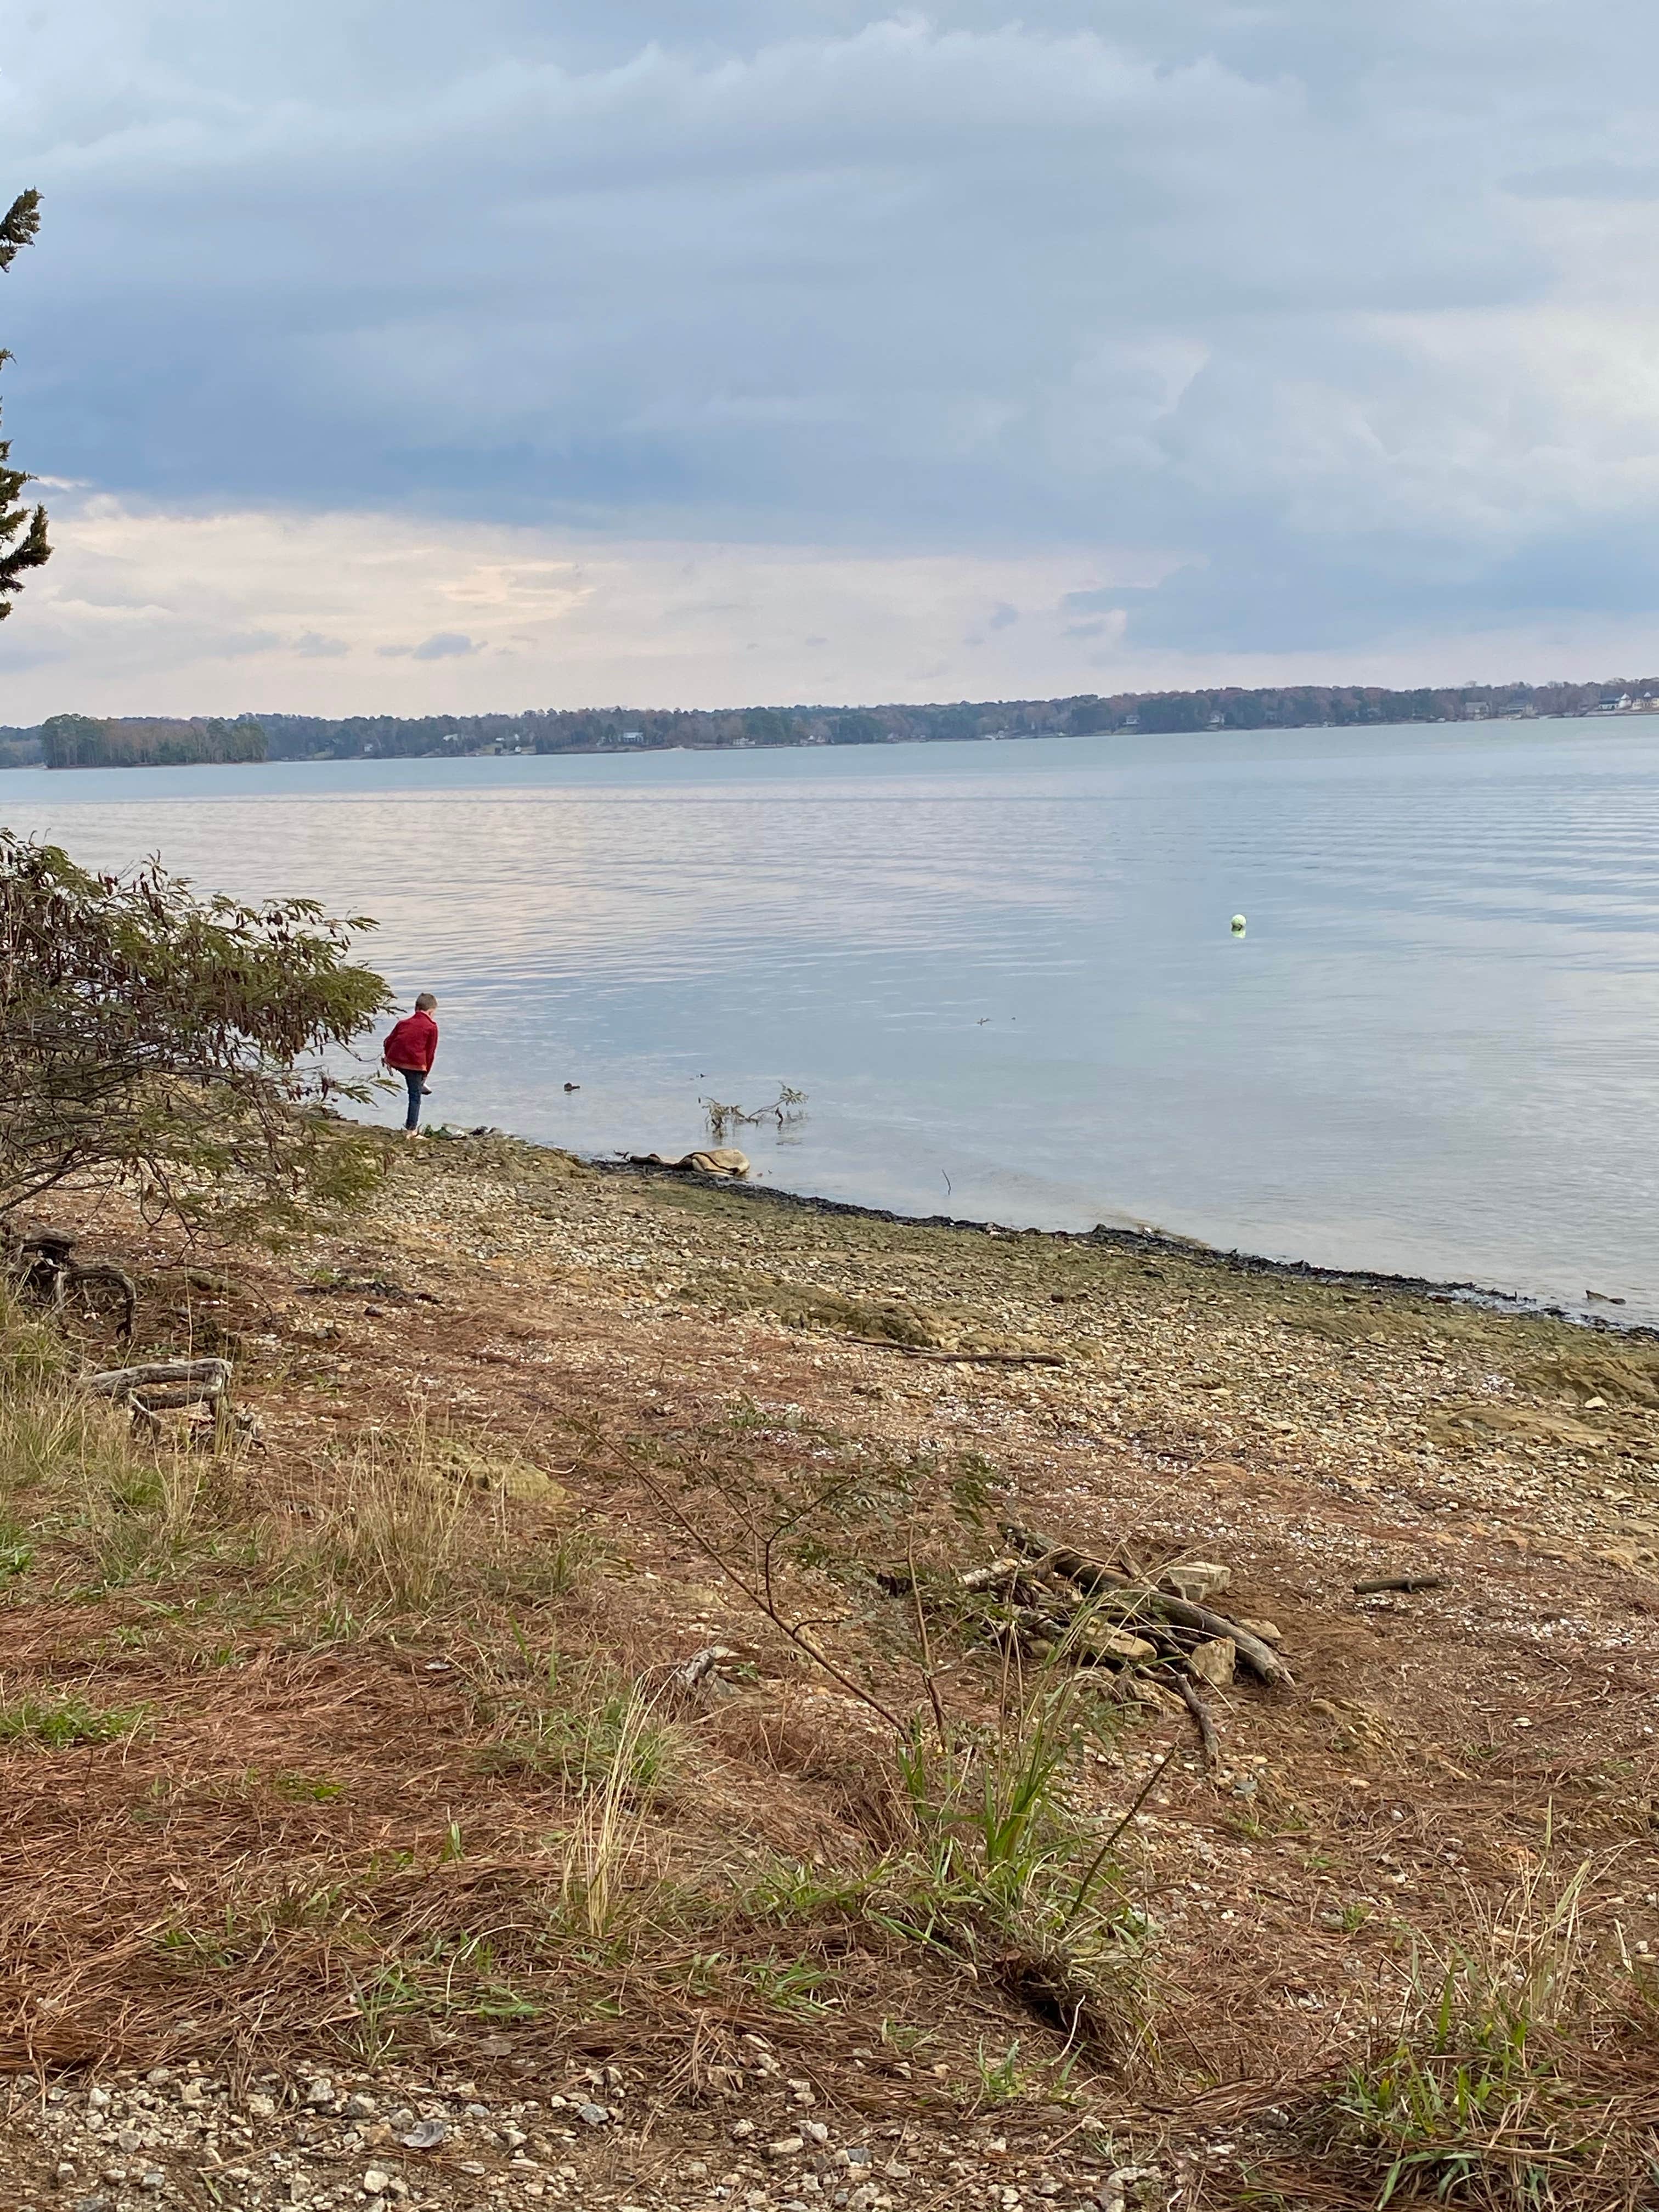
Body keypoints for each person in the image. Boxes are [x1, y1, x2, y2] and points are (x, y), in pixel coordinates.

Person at [382, 992, 439, 1134]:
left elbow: (387, 1042)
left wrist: (388, 1058)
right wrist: (426, 1074)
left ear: (416, 1009)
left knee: (413, 1080)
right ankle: (411, 1130)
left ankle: (420, 1083)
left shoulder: (403, 1023)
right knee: (415, 1096)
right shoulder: (431, 1027)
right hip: (415, 1065)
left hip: (396, 1061)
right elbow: (430, 1054)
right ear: (431, 1012)